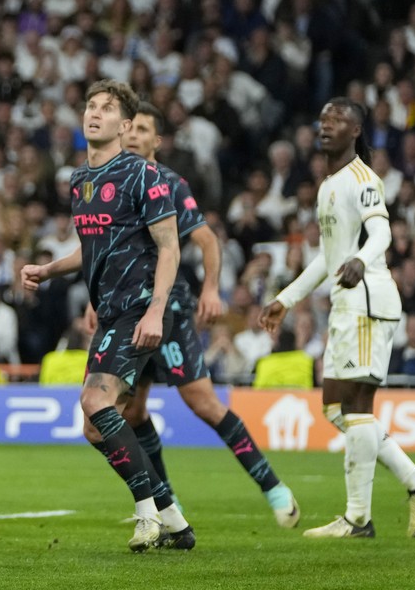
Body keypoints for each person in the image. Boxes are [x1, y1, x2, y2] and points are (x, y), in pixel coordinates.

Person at [100, 103, 299, 527]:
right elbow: (105, 253)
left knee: (203, 403)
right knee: (130, 414)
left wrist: (210, 288)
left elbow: (206, 239)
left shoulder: (168, 182)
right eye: (129, 129)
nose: (134, 136)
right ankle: (166, 504)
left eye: (145, 131)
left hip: (167, 308)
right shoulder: (111, 181)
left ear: (157, 141)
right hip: (124, 314)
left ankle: (274, 489)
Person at [22, 79, 191, 552]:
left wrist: (156, 310)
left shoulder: (143, 175)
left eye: (107, 109)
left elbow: (169, 247)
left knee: (96, 402)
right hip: (110, 311)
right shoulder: (80, 180)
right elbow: (93, 246)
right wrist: (50, 269)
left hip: (141, 308)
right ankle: (174, 520)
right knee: (95, 425)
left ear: (125, 125)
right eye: (90, 106)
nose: (94, 114)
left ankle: (146, 516)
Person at [263, 98, 415, 539]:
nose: (327, 125)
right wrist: (287, 297)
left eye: (337, 120)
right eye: (323, 119)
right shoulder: (328, 185)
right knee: (335, 407)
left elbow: (381, 230)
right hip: (348, 306)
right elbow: (327, 257)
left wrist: (360, 259)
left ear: (356, 130)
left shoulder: (362, 179)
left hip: (366, 301)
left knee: (356, 408)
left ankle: (359, 518)